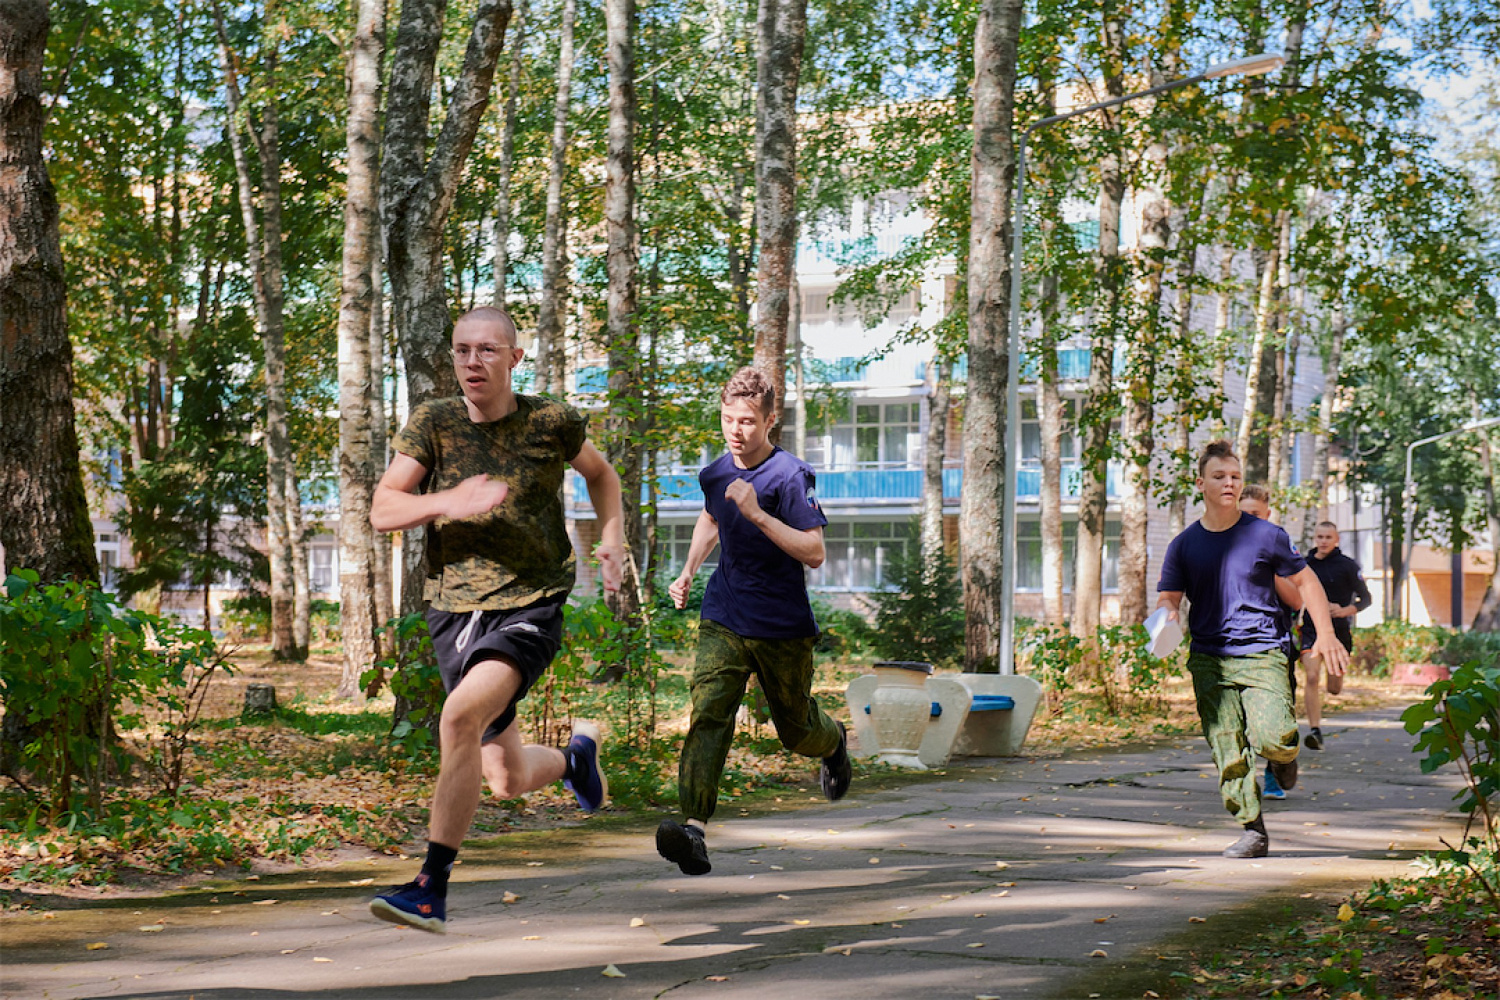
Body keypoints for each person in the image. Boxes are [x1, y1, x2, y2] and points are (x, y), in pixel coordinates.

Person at [367, 306, 625, 932]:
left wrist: (613, 533)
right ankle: (575, 762)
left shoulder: (552, 422)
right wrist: (449, 501)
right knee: (505, 777)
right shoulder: (433, 423)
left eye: (487, 350)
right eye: (462, 351)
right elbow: (382, 508)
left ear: (514, 357)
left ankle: (429, 889)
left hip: (531, 601)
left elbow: (600, 474)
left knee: (457, 717)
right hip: (454, 610)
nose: (472, 362)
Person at [657, 367, 851, 876]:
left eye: (747, 421)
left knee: (795, 729)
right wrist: (688, 571)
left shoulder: (790, 475)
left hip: (781, 624)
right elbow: (714, 517)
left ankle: (834, 742)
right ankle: (693, 829)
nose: (735, 431)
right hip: (724, 612)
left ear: (770, 421)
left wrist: (760, 515)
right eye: (727, 419)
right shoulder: (716, 473)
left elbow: (814, 552)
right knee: (708, 712)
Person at [1157, 441, 1350, 858]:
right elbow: (1169, 596)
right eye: (1219, 476)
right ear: (1201, 483)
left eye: (1235, 476)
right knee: (1227, 747)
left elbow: (1306, 584)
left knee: (1276, 736)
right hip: (1209, 657)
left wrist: (1327, 634)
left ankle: (1284, 759)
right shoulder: (1184, 544)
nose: (1229, 483)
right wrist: (1168, 614)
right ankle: (1252, 829)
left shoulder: (1267, 535)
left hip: (1264, 651)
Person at [1238, 484, 1305, 800]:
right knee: (1239, 719)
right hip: (1232, 647)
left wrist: (1271, 572)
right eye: (1244, 512)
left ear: (1266, 515)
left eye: (1256, 514)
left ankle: (1276, 772)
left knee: (1275, 719)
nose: (1249, 519)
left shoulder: (1279, 545)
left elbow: (1296, 599)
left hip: (1275, 646)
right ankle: (1244, 781)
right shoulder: (1223, 544)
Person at [1299, 521, 1372, 750]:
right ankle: (1314, 730)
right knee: (1311, 677)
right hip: (1311, 629)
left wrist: (1345, 610)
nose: (1323, 541)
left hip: (1339, 631)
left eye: (1328, 537)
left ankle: (1337, 678)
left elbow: (1365, 599)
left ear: (1336, 539)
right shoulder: (1304, 564)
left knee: (1333, 688)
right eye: (1319, 536)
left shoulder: (1348, 566)